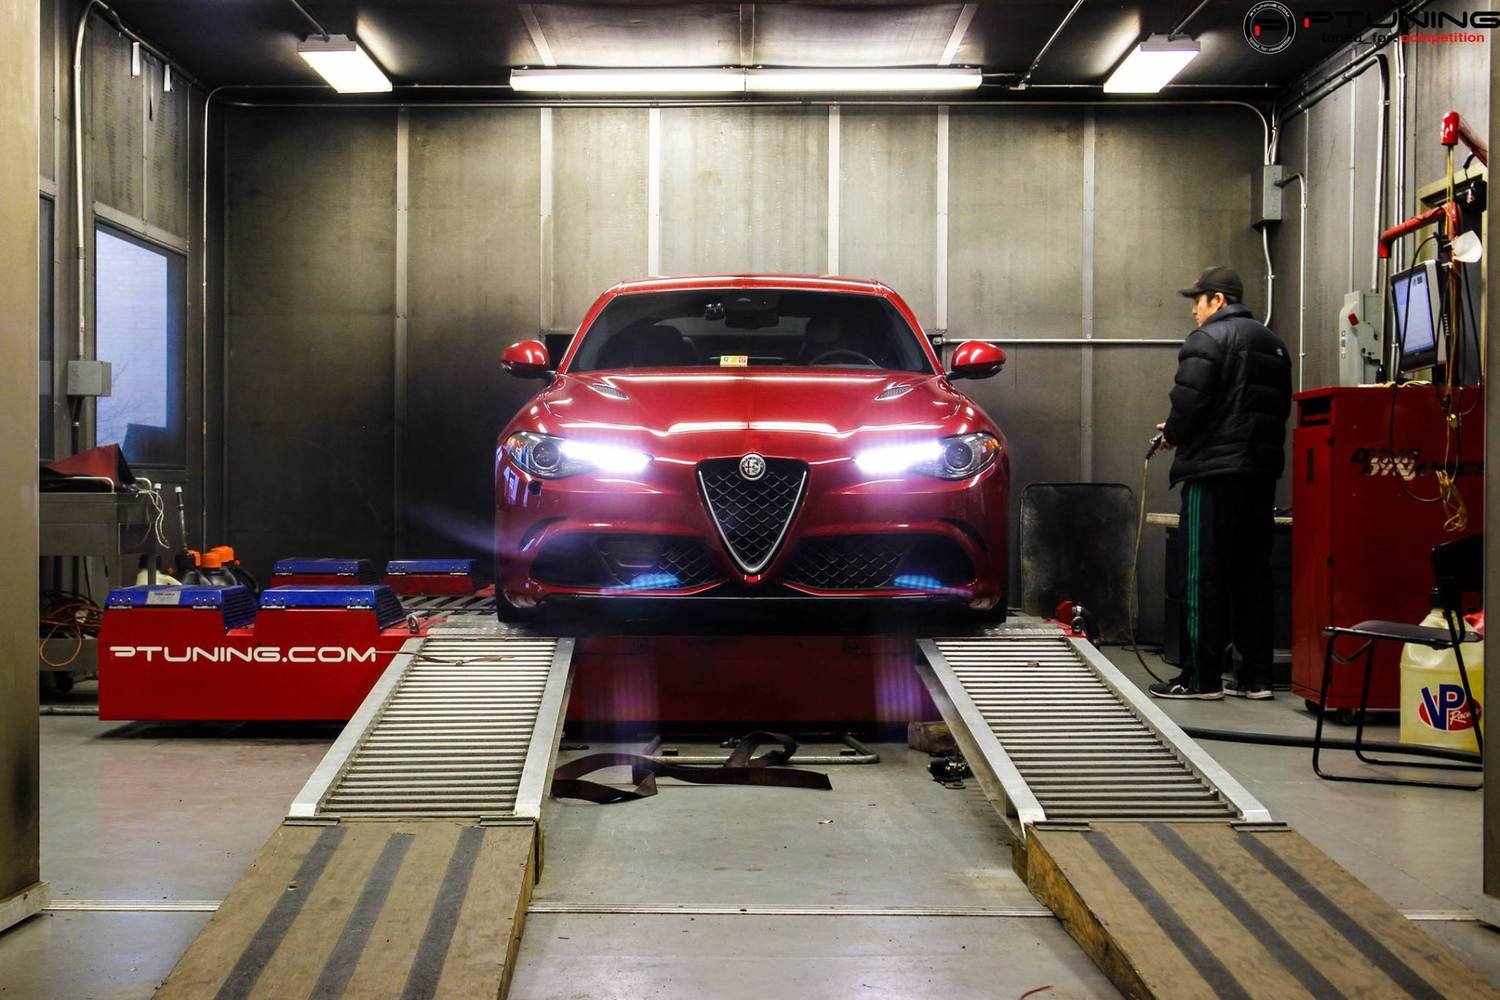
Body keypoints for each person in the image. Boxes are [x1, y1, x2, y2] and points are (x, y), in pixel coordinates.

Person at [1149, 266, 1292, 701]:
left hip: (1212, 475)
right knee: (1252, 576)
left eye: (1198, 300)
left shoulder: (1208, 339)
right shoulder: (1274, 345)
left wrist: (1172, 432)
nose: (1194, 310)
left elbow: (1190, 401)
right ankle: (1256, 678)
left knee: (1202, 576)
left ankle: (1201, 678)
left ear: (1219, 300)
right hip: (1259, 477)